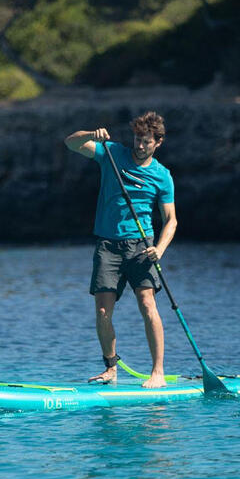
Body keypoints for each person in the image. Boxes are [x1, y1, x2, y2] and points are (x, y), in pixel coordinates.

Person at [65, 111, 177, 388]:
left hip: (142, 247)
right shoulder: (112, 153)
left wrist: (160, 249)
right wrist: (92, 135)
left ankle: (158, 373)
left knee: (148, 304)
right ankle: (111, 368)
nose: (140, 146)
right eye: (138, 139)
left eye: (146, 142)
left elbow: (171, 220)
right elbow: (70, 143)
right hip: (108, 245)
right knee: (103, 312)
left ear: (158, 143)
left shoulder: (162, 176)